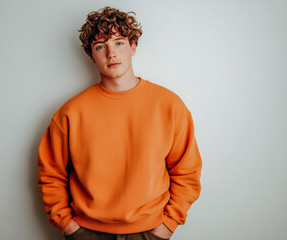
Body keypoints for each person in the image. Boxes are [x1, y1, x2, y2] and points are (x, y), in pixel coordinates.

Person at [37, 6, 202, 240]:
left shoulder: (169, 106)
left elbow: (187, 171)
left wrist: (168, 225)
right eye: (100, 46)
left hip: (149, 231)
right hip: (88, 232)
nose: (111, 53)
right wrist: (69, 226)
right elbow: (50, 173)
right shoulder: (71, 112)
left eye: (119, 43)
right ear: (92, 56)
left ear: (133, 46)